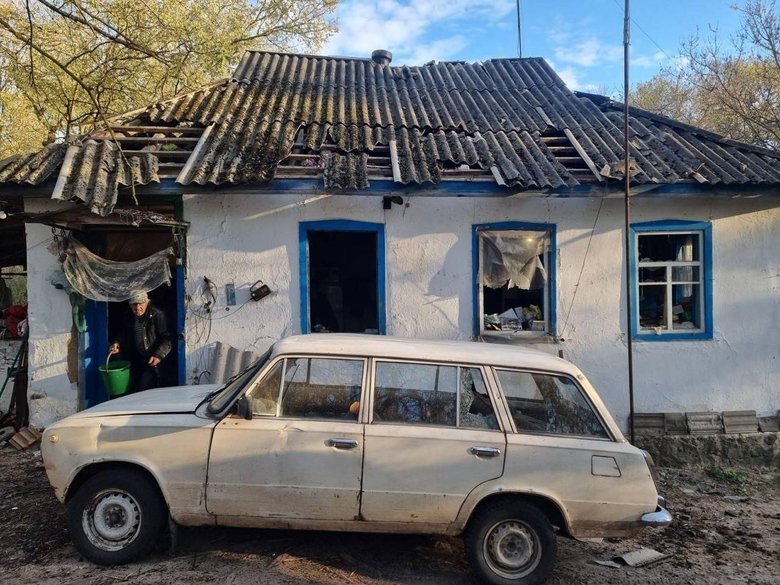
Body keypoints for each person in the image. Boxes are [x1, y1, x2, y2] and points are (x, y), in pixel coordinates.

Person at [109, 290, 172, 392]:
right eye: (134, 304)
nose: (137, 308)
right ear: (130, 305)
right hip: (136, 359)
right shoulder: (129, 316)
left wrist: (158, 355)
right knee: (133, 388)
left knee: (146, 388)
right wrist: (117, 342)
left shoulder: (157, 315)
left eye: (141, 303)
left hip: (152, 360)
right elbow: (122, 333)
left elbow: (167, 338)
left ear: (147, 302)